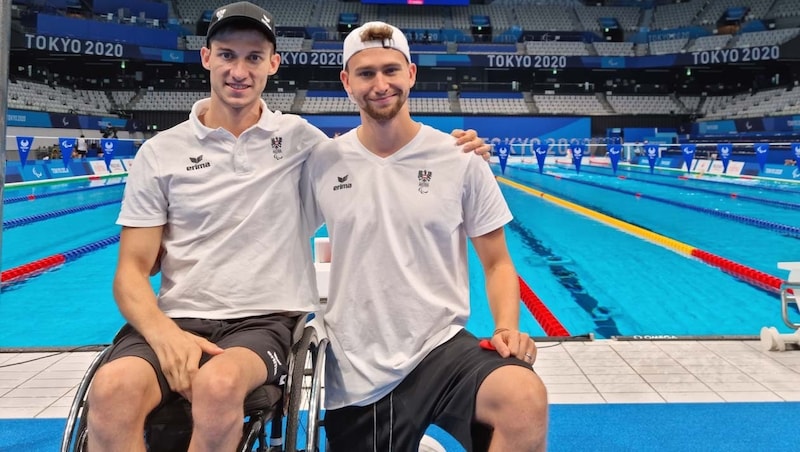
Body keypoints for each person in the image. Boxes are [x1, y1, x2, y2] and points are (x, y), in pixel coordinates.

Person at [86, 3, 490, 451]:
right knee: (111, 390)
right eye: (226, 55)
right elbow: (130, 272)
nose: (239, 71)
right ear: (206, 58)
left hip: (264, 321)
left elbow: (380, 162)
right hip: (176, 316)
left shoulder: (303, 142)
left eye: (254, 57)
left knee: (218, 385)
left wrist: (454, 151)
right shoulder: (160, 153)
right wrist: (165, 336)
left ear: (273, 65)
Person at [301, 21, 548, 451]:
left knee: (523, 397)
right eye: (366, 73)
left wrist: (507, 327)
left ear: (411, 74)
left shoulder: (461, 158)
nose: (381, 84)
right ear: (346, 82)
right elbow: (274, 234)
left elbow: (498, 263)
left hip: (441, 347)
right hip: (356, 360)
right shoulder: (323, 161)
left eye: (391, 70)